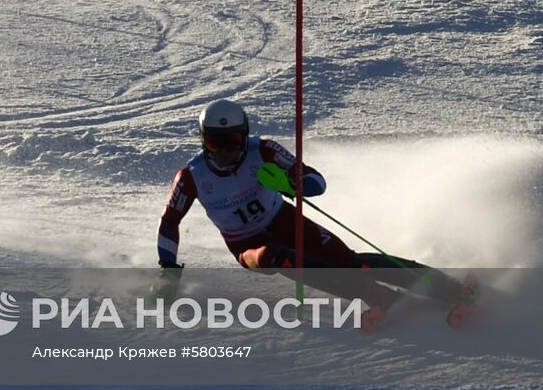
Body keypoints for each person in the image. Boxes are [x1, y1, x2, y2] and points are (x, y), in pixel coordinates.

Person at [156, 99, 466, 328]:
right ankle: (380, 297)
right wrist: (168, 268)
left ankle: (450, 288)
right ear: (202, 140)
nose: (225, 151)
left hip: (284, 221)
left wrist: (293, 183)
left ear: (244, 134)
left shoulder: (262, 150)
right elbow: (170, 220)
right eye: (215, 142)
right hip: (247, 247)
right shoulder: (192, 176)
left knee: (351, 262)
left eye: (232, 141)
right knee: (277, 257)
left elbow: (317, 181)